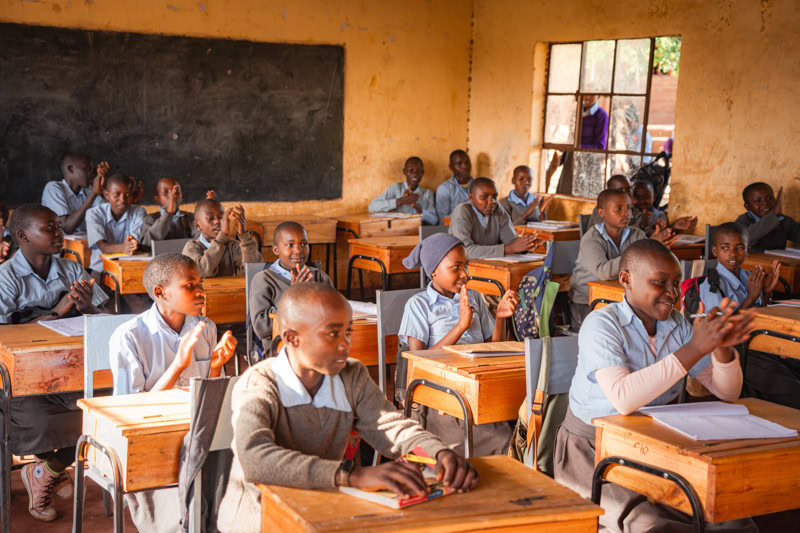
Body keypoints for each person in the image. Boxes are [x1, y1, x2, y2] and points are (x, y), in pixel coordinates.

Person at [217, 282, 478, 533]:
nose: (345, 344)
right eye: (333, 334)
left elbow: (393, 428)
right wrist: (350, 476)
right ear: (292, 338)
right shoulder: (260, 383)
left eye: (348, 332)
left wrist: (438, 453)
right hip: (261, 520)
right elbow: (255, 458)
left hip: (322, 510)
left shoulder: (350, 375)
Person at [555, 239, 756, 532]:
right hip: (593, 453)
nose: (672, 293)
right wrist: (695, 348)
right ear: (626, 280)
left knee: (731, 517)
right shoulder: (602, 324)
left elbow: (727, 391)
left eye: (675, 283)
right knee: (653, 524)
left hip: (653, 446)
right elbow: (623, 398)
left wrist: (721, 348)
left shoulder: (678, 325)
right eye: (660, 282)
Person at [109, 253, 237, 531]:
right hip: (152, 441)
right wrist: (178, 364)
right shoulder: (130, 336)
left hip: (196, 434)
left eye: (200, 283)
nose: (200, 291)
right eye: (189, 285)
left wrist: (215, 367)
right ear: (160, 292)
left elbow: (207, 397)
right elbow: (132, 413)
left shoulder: (205, 327)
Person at [0, 204, 109, 522]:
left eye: (59, 227)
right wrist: (58, 311)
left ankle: (46, 469)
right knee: (45, 424)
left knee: (105, 416)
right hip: (24, 382)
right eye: (49, 228)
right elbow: (4, 337)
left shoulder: (72, 269)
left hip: (71, 371)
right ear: (23, 236)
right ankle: (50, 468)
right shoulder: (6, 277)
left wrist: (89, 308)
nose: (59, 233)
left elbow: (106, 316)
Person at [398, 233, 520, 456]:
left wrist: (500, 317)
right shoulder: (418, 305)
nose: (465, 274)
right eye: (456, 267)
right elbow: (419, 362)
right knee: (505, 441)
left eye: (466, 266)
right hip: (443, 396)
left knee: (524, 425)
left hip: (477, 383)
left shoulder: (474, 297)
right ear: (434, 270)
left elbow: (493, 347)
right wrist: (461, 326)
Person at [569, 189, 674, 331]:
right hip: (587, 301)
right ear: (602, 212)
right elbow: (604, 271)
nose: (626, 213)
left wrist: (656, 249)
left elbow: (648, 266)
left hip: (622, 299)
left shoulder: (636, 235)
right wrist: (641, 251)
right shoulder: (592, 239)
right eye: (619, 209)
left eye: (629, 208)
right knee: (613, 332)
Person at [249, 221, 333, 348]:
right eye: (290, 245)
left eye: (304, 244)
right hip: (281, 348)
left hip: (317, 344)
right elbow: (262, 328)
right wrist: (292, 296)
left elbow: (335, 314)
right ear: (276, 250)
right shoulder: (263, 280)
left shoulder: (320, 277)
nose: (298, 251)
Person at [448, 177, 543, 258]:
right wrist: (510, 248)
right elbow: (465, 251)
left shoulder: (497, 209)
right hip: (462, 268)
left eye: (494, 196)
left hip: (490, 266)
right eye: (484, 196)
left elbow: (511, 242)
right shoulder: (462, 211)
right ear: (471, 197)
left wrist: (527, 245)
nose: (491, 201)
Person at [699, 222, 780, 311]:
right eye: (725, 248)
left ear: (747, 251)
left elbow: (762, 311)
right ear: (715, 251)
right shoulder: (712, 284)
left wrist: (766, 292)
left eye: (739, 248)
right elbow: (716, 320)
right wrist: (750, 298)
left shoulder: (750, 277)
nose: (733, 254)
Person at [182, 199, 261, 277]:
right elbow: (201, 272)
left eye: (220, 217)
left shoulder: (233, 245)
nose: (217, 221)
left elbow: (254, 271)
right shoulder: (191, 247)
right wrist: (221, 237)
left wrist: (244, 236)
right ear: (197, 226)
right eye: (211, 218)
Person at [41, 154, 108, 234]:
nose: (92, 173)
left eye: (93, 170)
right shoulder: (53, 188)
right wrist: (94, 194)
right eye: (87, 168)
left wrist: (103, 188)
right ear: (71, 169)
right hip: (62, 242)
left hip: (84, 241)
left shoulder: (89, 191)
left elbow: (108, 215)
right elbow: (67, 227)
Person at [368, 156, 437, 225]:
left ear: (422, 173)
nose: (415, 174)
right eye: (411, 171)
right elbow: (372, 207)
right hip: (398, 228)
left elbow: (434, 221)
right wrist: (400, 201)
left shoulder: (427, 193)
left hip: (418, 229)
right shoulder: (395, 188)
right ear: (404, 172)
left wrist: (415, 206)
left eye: (418, 171)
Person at [735, 182, 800, 252]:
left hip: (775, 259)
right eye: (758, 201)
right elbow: (744, 238)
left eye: (770, 198)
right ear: (747, 207)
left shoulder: (784, 221)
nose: (765, 203)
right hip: (751, 259)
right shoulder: (743, 221)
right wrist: (773, 216)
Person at [140, 177, 202, 246]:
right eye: (165, 192)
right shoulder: (150, 219)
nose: (172, 196)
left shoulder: (191, 217)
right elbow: (147, 245)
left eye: (176, 191)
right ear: (157, 199)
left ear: (182, 196)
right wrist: (168, 213)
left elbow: (201, 241)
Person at [630, 180, 698, 236]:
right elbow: (627, 235)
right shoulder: (628, 214)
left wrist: (674, 227)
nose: (642, 201)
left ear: (654, 198)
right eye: (637, 198)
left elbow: (663, 235)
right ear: (630, 198)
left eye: (646, 197)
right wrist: (641, 225)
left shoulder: (660, 215)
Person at [435, 150, 473, 221]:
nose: (465, 166)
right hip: (454, 227)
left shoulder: (478, 186)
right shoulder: (444, 189)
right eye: (459, 164)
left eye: (467, 162)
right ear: (451, 167)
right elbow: (443, 220)